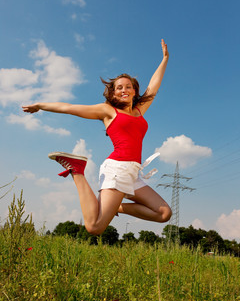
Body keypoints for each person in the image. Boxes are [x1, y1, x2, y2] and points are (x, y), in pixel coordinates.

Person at [23, 39, 172, 235]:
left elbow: (153, 87)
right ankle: (76, 170)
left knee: (163, 213)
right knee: (94, 227)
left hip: (132, 173)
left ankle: (117, 206)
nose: (124, 90)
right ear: (113, 92)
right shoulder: (108, 111)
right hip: (117, 169)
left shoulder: (139, 111)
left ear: (134, 91)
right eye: (119, 87)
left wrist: (165, 60)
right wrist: (41, 105)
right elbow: (70, 108)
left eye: (128, 87)